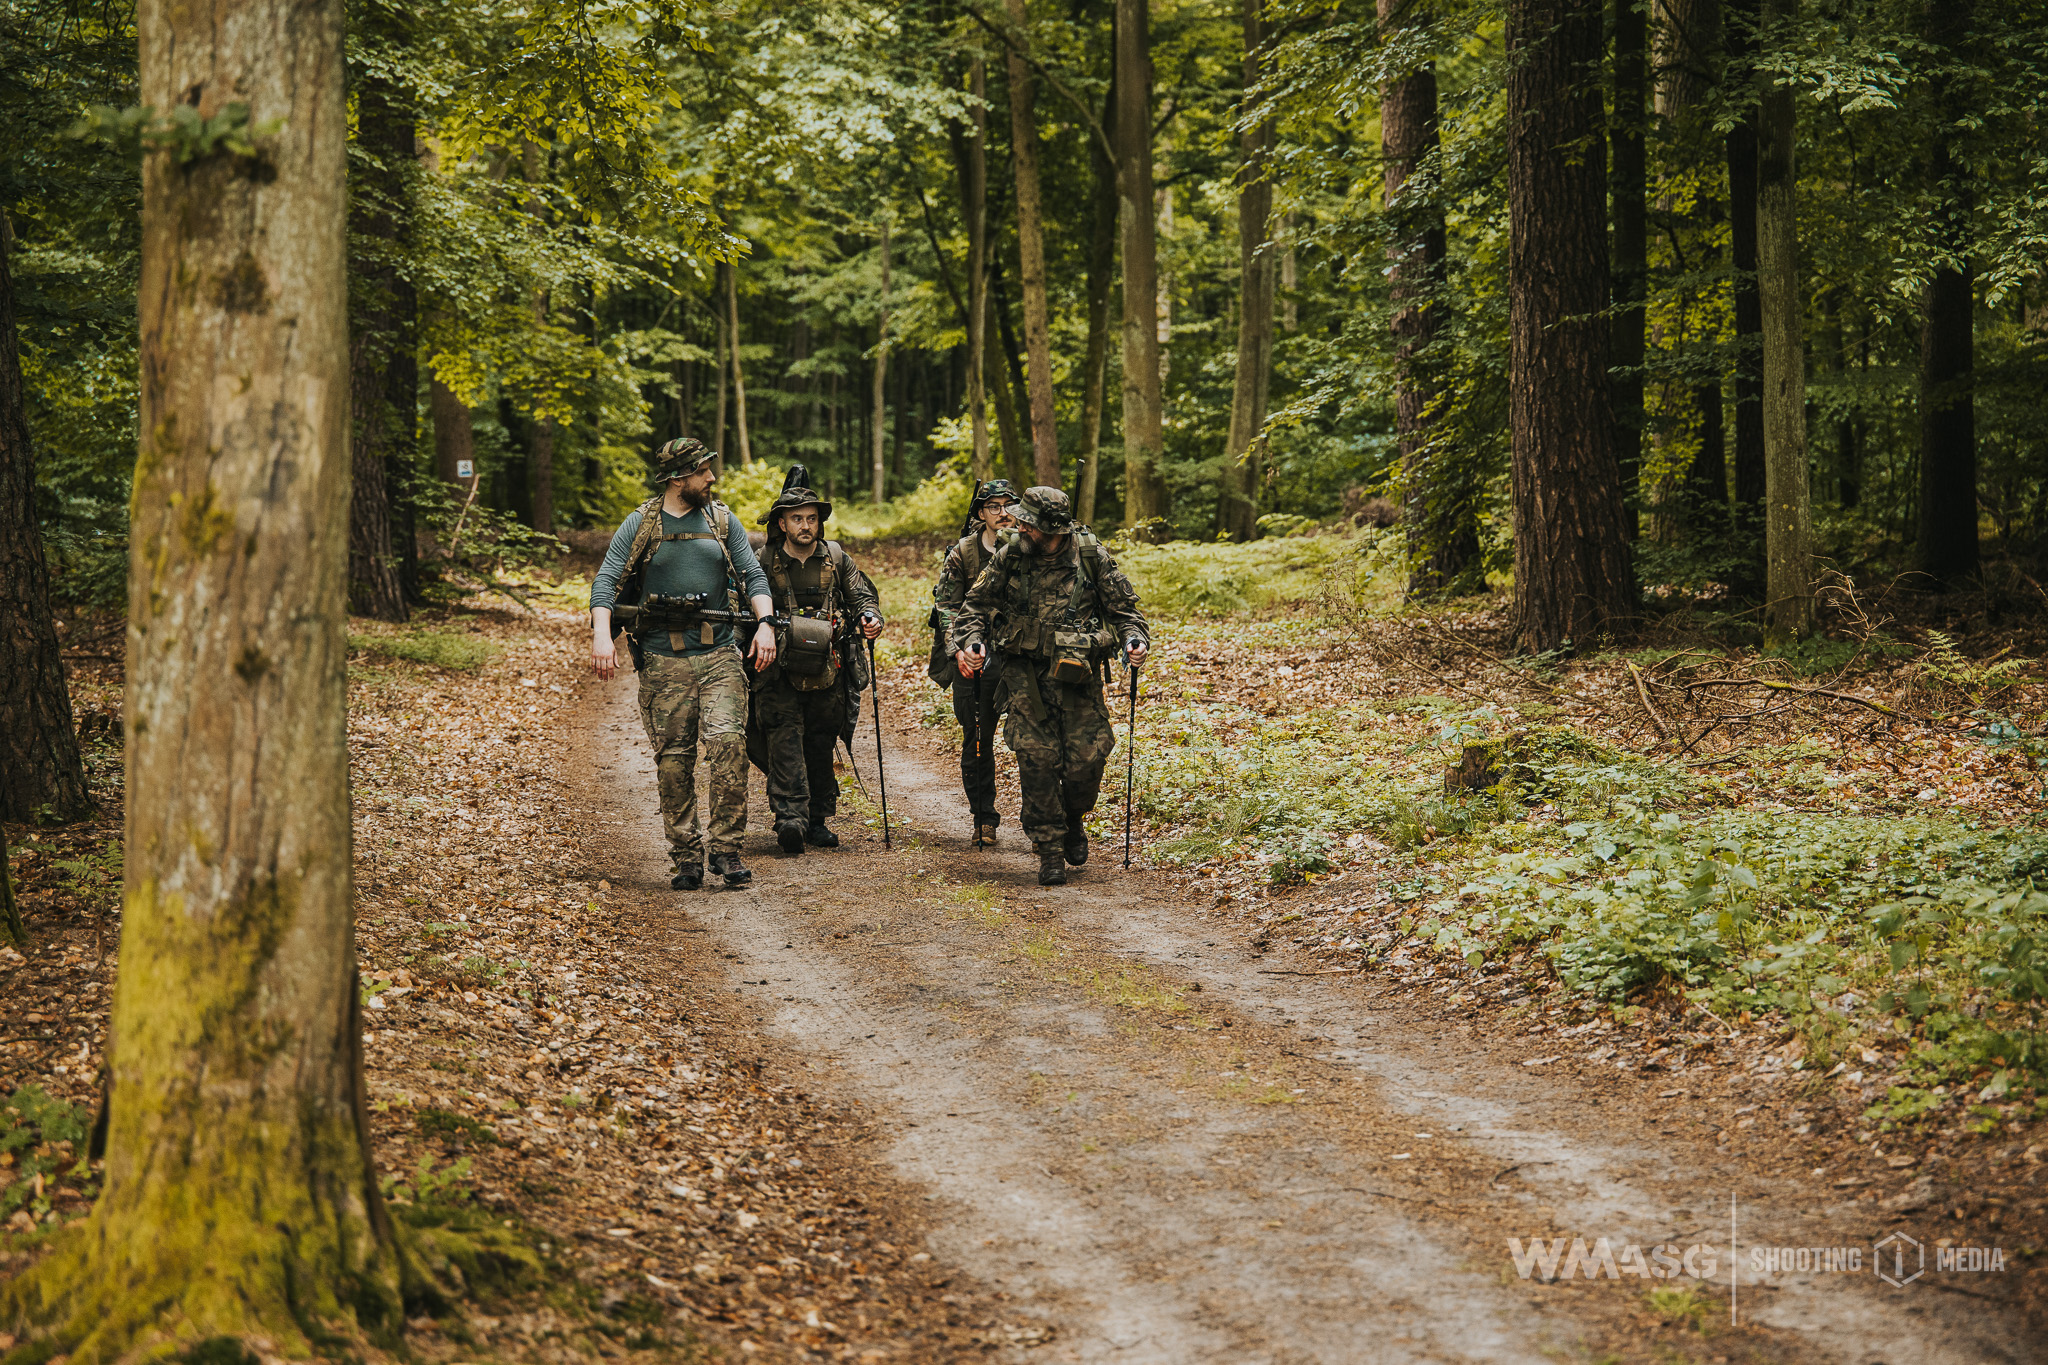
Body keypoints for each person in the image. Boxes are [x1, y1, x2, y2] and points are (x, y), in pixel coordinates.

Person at [590, 438, 776, 891]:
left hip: (719, 657)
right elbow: (606, 582)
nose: (711, 478)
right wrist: (601, 634)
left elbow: (753, 575)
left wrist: (766, 622)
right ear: (679, 478)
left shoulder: (721, 520)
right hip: (662, 661)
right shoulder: (641, 523)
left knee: (730, 744)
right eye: (703, 471)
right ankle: (686, 857)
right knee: (674, 761)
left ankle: (727, 850)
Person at [951, 487, 1150, 886]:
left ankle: (1073, 818)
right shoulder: (1012, 554)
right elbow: (973, 606)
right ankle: (1050, 848)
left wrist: (1134, 640)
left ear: (1051, 528)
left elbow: (1125, 611)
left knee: (1087, 763)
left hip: (1079, 678)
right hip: (1025, 676)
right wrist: (972, 641)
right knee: (1037, 761)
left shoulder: (1091, 555)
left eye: (1027, 521)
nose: (1018, 524)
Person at [747, 469, 884, 854]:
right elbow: (743, 607)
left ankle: (819, 819)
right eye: (797, 519)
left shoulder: (837, 558)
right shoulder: (762, 561)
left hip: (829, 668)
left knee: (821, 741)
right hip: (778, 670)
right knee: (783, 739)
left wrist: (871, 619)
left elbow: (862, 598)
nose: (806, 526)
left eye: (811, 518)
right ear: (781, 523)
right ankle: (790, 820)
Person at [929, 479, 1019, 846]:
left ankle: (1042, 820)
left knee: (1034, 740)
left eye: (1007, 505)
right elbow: (946, 607)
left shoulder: (1028, 547)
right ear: (981, 513)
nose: (1001, 513)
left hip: (1019, 659)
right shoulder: (963, 553)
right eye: (993, 507)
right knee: (977, 740)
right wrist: (959, 651)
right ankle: (984, 817)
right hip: (974, 659)